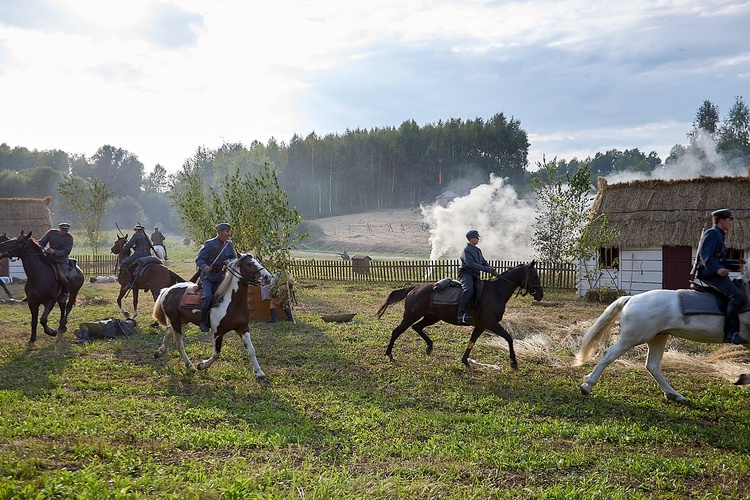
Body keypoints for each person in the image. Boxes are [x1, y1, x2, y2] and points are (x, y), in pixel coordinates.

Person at [693, 209, 748, 344]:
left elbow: (720, 259)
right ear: (721, 220)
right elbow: (705, 257)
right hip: (708, 273)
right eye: (729, 220)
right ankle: (731, 334)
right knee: (736, 295)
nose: (730, 223)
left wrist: (737, 263)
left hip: (713, 272)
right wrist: (717, 270)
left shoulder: (719, 234)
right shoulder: (712, 233)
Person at [195, 222, 238, 332]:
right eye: (226, 231)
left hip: (221, 275)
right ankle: (203, 321)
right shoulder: (209, 244)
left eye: (229, 231)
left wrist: (230, 261)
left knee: (228, 295)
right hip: (208, 276)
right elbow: (199, 259)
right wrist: (204, 267)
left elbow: (234, 257)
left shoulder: (229, 245)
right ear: (220, 232)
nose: (228, 234)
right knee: (208, 296)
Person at [457, 229, 497, 325]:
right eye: (476, 237)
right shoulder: (466, 250)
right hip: (466, 274)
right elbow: (470, 264)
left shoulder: (478, 250)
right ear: (471, 238)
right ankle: (460, 314)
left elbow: (483, 261)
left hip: (475, 275)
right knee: (469, 290)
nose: (478, 239)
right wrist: (485, 269)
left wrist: (491, 269)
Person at [38, 222, 74, 302]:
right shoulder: (51, 233)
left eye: (66, 230)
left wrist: (54, 251)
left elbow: (66, 251)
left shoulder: (69, 238)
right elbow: (42, 242)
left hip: (61, 260)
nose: (64, 231)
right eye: (62, 229)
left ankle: (64, 293)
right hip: (48, 258)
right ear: (59, 228)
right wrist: (39, 247)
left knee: (63, 277)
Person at [120, 223, 153, 291]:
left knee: (124, 264)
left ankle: (130, 282)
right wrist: (136, 247)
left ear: (137, 230)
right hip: (148, 255)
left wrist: (125, 246)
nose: (135, 231)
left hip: (139, 254)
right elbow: (148, 245)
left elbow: (129, 245)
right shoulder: (146, 236)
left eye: (135, 230)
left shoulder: (136, 235)